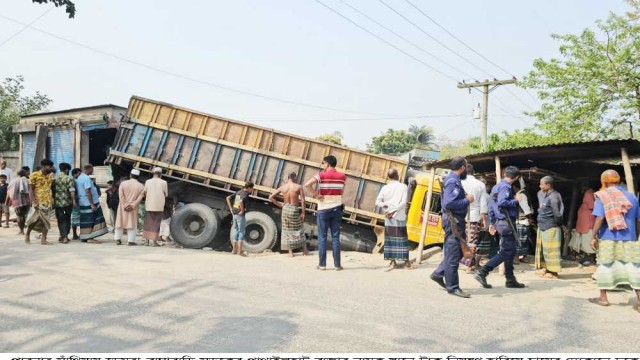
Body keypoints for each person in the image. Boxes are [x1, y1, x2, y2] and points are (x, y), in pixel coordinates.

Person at [589, 169, 640, 312]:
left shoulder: (602, 196)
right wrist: (635, 236)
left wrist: (593, 236)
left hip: (608, 237)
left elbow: (599, 218)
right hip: (629, 238)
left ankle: (603, 298)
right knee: (633, 267)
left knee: (605, 265)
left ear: (603, 181)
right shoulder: (632, 197)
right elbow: (638, 220)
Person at [474, 166, 526, 289]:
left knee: (510, 250)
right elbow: (503, 203)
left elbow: (491, 206)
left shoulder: (496, 187)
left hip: (500, 222)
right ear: (516, 177)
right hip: (506, 222)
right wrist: (516, 200)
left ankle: (510, 279)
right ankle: (483, 271)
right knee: (507, 251)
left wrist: (492, 222)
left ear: (504, 174)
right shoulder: (506, 187)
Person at [430, 157, 474, 298]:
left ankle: (438, 274)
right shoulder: (453, 181)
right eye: (466, 167)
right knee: (454, 254)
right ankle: (453, 287)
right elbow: (449, 203)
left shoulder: (453, 180)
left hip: (455, 221)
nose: (466, 169)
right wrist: (466, 200)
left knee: (459, 252)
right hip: (453, 221)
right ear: (462, 167)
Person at [304, 155, 346, 271]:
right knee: (335, 237)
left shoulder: (321, 175)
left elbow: (307, 184)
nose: (323, 165)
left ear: (327, 163)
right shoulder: (342, 176)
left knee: (322, 237)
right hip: (337, 209)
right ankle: (337, 265)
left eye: (323, 163)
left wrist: (316, 195)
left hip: (323, 209)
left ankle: (322, 265)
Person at [375, 168, 412, 270]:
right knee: (402, 239)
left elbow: (377, 202)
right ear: (397, 176)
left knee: (390, 239)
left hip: (389, 216)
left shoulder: (385, 188)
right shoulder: (403, 187)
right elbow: (403, 202)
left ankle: (393, 262)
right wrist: (394, 210)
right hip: (399, 216)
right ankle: (406, 263)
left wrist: (387, 207)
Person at [269, 172, 308, 257]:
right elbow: (303, 201)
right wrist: (303, 213)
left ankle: (291, 253)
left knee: (287, 230)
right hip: (294, 209)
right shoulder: (298, 186)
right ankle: (305, 251)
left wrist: (281, 205)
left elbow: (271, 197)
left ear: (288, 178)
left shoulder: (283, 187)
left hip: (286, 209)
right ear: (295, 178)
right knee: (299, 228)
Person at [535, 176, 565, 279]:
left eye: (541, 184)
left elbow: (557, 213)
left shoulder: (553, 197)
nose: (540, 186)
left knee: (551, 250)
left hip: (551, 226)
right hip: (544, 226)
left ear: (548, 185)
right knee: (546, 250)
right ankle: (548, 269)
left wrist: (558, 224)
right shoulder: (546, 195)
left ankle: (554, 272)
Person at [460, 164, 486, 272]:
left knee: (460, 239)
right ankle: (469, 266)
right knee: (472, 240)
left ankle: (459, 262)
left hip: (459, 215)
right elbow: (483, 204)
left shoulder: (459, 182)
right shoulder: (480, 184)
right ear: (474, 172)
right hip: (474, 216)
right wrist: (483, 219)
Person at [25, 159, 55, 245]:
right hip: (38, 202)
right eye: (50, 166)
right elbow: (31, 189)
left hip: (48, 201)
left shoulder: (50, 176)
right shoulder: (34, 175)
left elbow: (52, 188)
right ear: (44, 166)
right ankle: (27, 234)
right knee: (34, 220)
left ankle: (43, 239)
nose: (51, 168)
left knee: (46, 221)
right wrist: (33, 201)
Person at [76, 164, 108, 243]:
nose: (92, 171)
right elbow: (88, 191)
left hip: (83, 202)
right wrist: (92, 204)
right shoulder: (86, 178)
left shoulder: (79, 178)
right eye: (92, 169)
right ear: (89, 168)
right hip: (89, 202)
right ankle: (90, 237)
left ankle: (84, 236)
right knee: (92, 219)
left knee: (85, 220)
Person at [115, 169, 145, 246]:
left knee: (120, 222)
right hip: (133, 208)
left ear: (130, 175)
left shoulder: (123, 184)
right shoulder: (141, 186)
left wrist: (125, 204)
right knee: (132, 223)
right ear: (138, 177)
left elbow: (120, 195)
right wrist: (132, 206)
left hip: (122, 207)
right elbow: (139, 199)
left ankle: (118, 239)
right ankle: (130, 241)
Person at [571, 183, 597, 265]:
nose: (581, 189)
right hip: (585, 222)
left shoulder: (589, 193)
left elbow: (592, 206)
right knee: (586, 241)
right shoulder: (589, 192)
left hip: (588, 222)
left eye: (582, 186)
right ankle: (588, 258)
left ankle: (591, 259)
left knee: (588, 241)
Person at [226, 182, 254, 256]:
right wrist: (242, 210)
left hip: (234, 214)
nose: (252, 190)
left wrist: (231, 209)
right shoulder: (245, 194)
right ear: (249, 188)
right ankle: (239, 252)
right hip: (239, 215)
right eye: (252, 188)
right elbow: (241, 201)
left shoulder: (239, 192)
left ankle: (234, 250)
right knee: (241, 232)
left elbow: (228, 198)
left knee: (237, 231)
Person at [143, 167, 168, 246]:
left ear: (153, 173)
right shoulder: (164, 182)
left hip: (149, 205)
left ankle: (146, 241)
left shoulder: (147, 182)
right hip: (159, 206)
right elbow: (166, 194)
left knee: (148, 223)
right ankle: (154, 242)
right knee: (156, 223)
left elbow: (145, 192)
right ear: (160, 174)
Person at [52, 163, 77, 243]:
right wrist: (74, 201)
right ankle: (65, 237)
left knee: (60, 219)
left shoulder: (55, 178)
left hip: (58, 202)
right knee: (67, 219)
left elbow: (52, 190)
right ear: (66, 170)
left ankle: (62, 236)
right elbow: (72, 190)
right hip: (67, 202)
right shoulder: (69, 178)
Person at [513, 181, 534, 263]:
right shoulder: (525, 193)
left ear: (515, 187)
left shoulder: (520, 195)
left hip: (522, 220)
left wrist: (529, 217)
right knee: (524, 239)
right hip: (525, 220)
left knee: (519, 240)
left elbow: (526, 208)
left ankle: (517, 258)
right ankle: (524, 257)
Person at [8, 169, 31, 234]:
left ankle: (21, 230)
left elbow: (9, 191)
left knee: (19, 216)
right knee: (23, 215)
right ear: (24, 174)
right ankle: (22, 229)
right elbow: (30, 190)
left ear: (17, 174)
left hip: (16, 201)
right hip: (26, 201)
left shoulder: (13, 181)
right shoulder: (27, 180)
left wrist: (9, 200)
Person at [70, 168, 82, 240]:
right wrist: (74, 201)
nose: (80, 175)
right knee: (75, 218)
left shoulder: (78, 180)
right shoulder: (73, 181)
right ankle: (75, 234)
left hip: (78, 201)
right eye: (79, 173)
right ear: (75, 174)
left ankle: (77, 234)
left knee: (77, 218)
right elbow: (72, 191)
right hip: (76, 202)